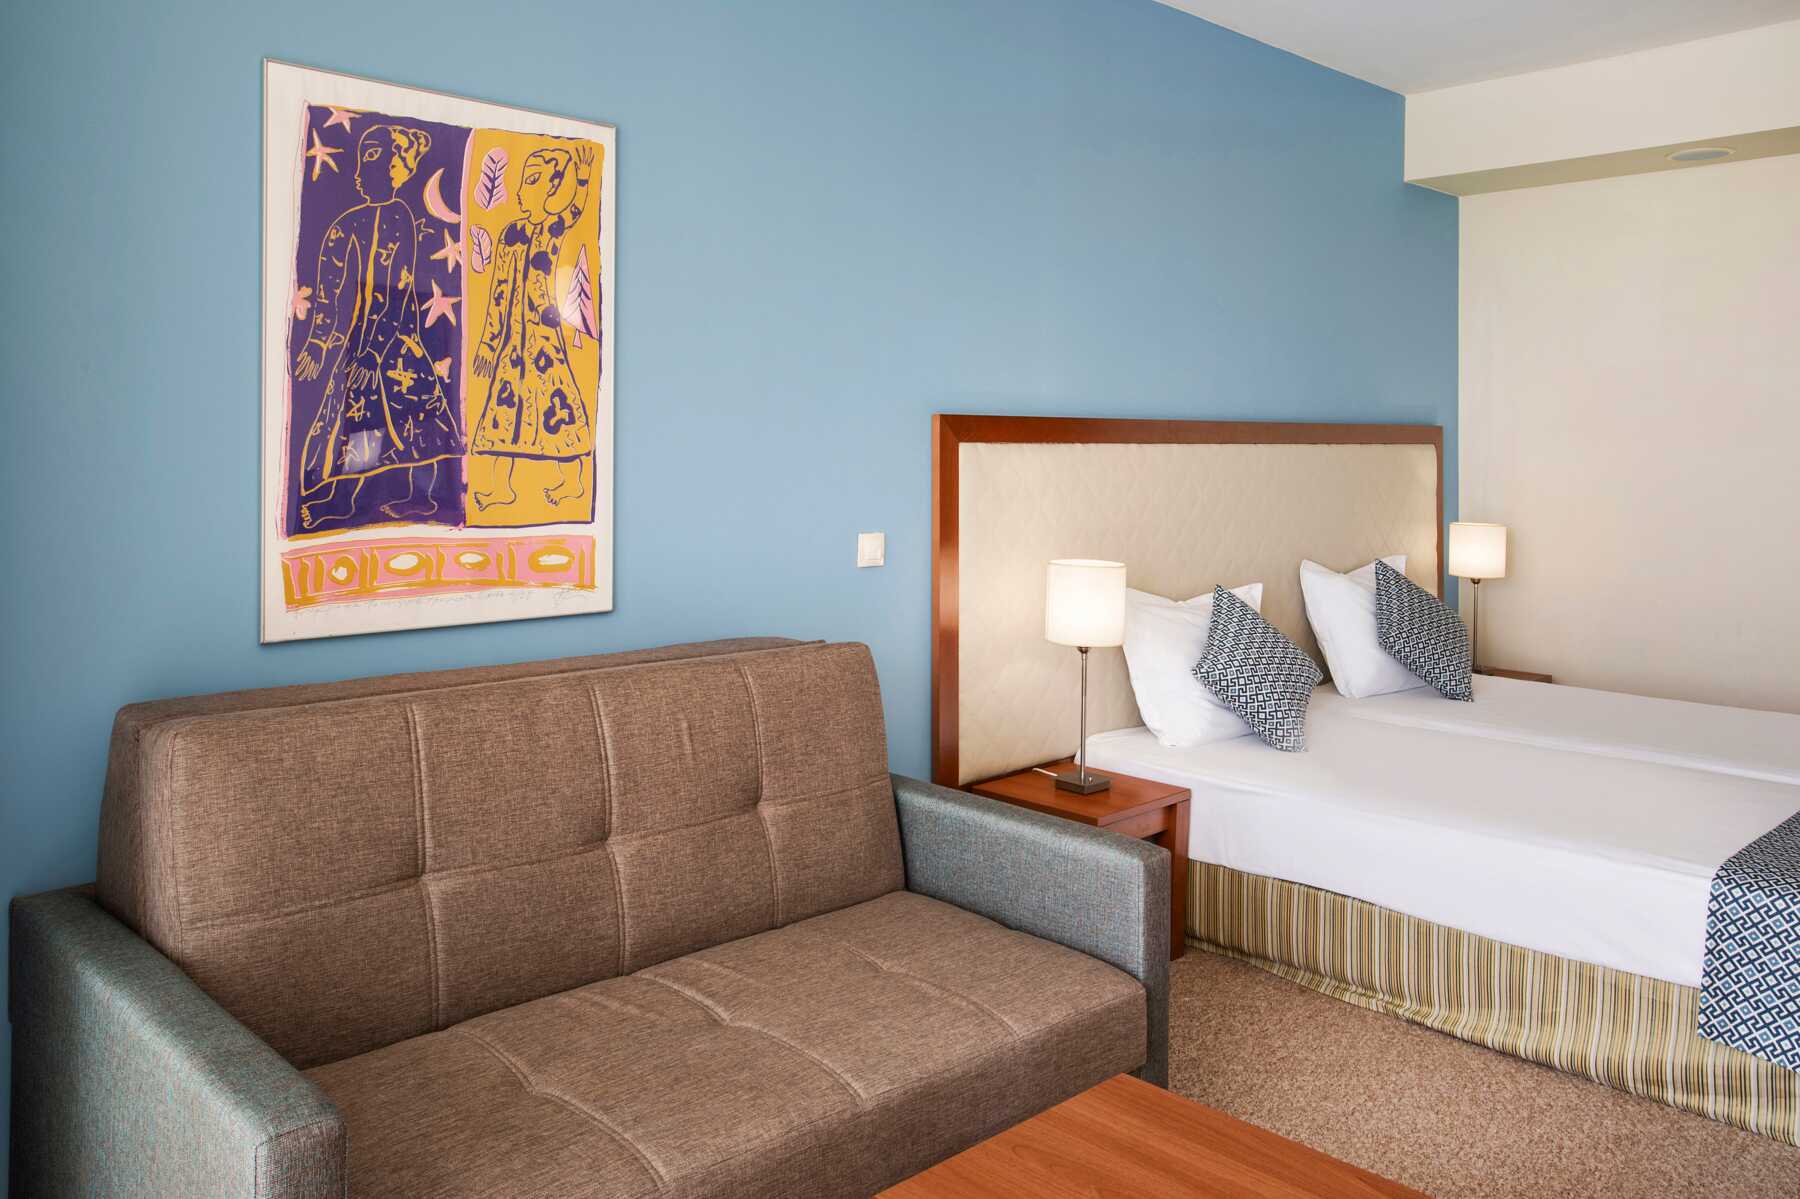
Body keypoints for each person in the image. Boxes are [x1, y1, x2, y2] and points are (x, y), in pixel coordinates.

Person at [292, 122, 462, 530]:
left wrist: (377, 351)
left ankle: (415, 498)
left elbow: (397, 289)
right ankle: (349, 503)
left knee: (405, 423)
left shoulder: (399, 218)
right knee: (358, 428)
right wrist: (318, 342)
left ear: (394, 166)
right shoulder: (345, 225)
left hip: (393, 345)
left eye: (372, 158)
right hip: (362, 346)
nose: (359, 172)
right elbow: (331, 292)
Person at [470, 143, 596, 512]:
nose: (522, 189)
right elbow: (498, 292)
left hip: (544, 341)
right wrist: (489, 344)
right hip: (512, 342)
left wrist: (583, 180)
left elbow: (574, 212)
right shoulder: (511, 233)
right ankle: (501, 488)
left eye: (532, 181)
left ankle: (572, 483)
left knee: (558, 407)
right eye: (524, 181)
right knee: (504, 411)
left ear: (551, 188)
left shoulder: (553, 229)